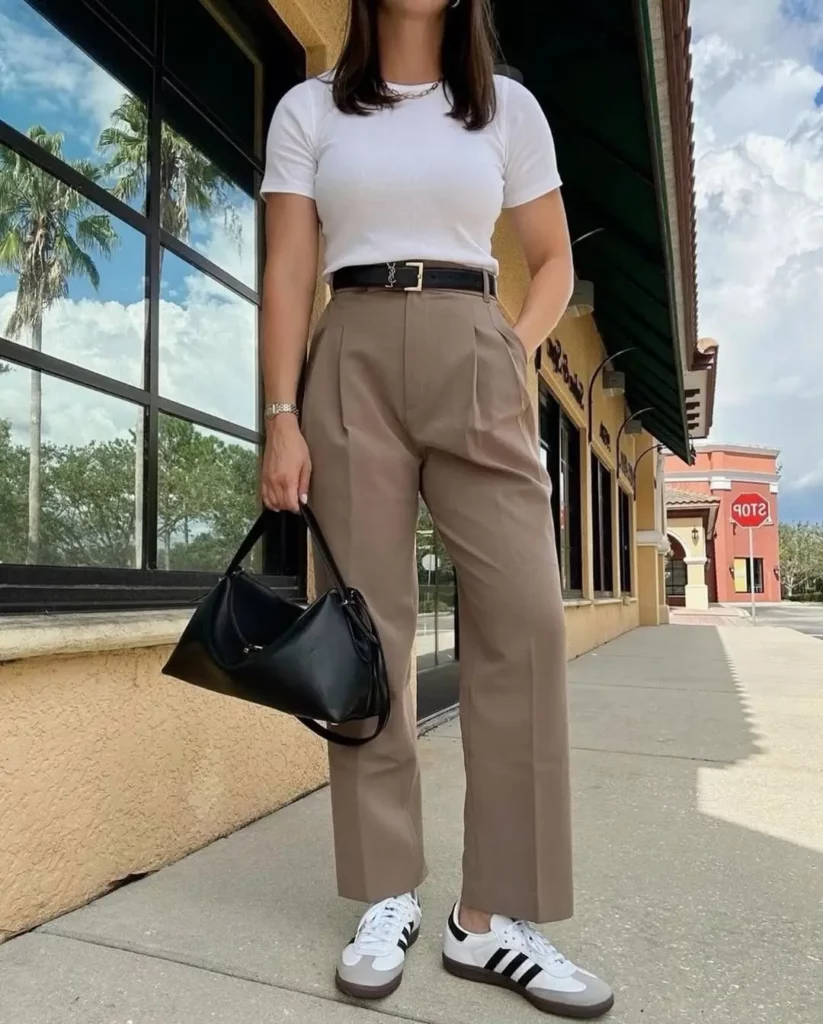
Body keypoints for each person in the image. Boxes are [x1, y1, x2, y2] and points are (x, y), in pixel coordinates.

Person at [258, 0, 613, 1017]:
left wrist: (513, 343)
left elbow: (553, 259)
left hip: (474, 343)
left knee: (528, 621)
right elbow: (288, 267)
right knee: (368, 634)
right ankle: (385, 890)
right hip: (351, 351)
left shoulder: (507, 111)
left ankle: (490, 917)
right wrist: (281, 412)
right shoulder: (311, 109)